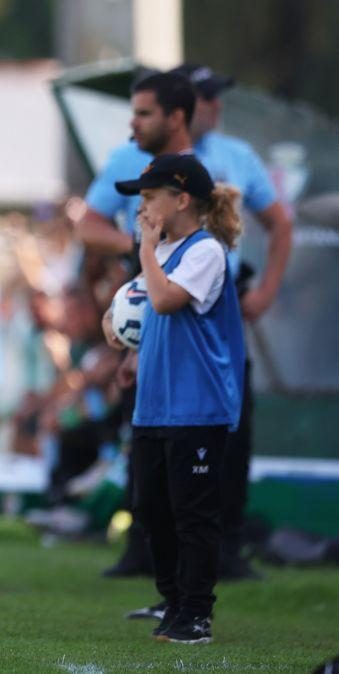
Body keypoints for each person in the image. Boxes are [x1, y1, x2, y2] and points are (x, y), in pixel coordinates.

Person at [81, 68, 294, 583]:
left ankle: (216, 563)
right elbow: (88, 224)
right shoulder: (129, 160)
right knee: (152, 449)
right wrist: (139, 252)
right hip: (155, 302)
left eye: (143, 112)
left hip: (200, 308)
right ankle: (151, 556)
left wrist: (265, 291)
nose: (134, 122)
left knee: (217, 441)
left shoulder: (230, 169)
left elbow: (279, 223)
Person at [105, 152, 246, 644]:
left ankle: (197, 612)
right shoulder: (161, 252)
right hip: (154, 404)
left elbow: (165, 300)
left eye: (148, 198)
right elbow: (137, 316)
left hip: (197, 404)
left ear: (182, 199)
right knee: (152, 510)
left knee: (194, 514)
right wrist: (124, 345)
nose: (140, 208)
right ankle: (173, 599)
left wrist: (145, 247)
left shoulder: (204, 251)